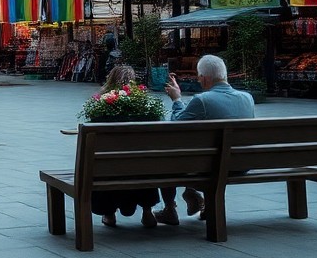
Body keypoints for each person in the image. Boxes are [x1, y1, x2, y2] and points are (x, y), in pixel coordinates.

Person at [154, 54, 255, 225]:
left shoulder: (202, 100)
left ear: (204, 78)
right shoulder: (247, 98)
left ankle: (170, 208)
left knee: (167, 155)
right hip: (240, 164)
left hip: (210, 168)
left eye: (199, 77)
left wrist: (177, 99)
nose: (199, 80)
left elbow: (177, 127)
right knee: (203, 149)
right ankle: (193, 194)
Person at [89, 64, 160, 228]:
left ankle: (109, 213)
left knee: (103, 165)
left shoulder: (101, 102)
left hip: (109, 166)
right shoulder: (143, 103)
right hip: (140, 166)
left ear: (110, 79)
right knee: (143, 163)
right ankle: (147, 211)